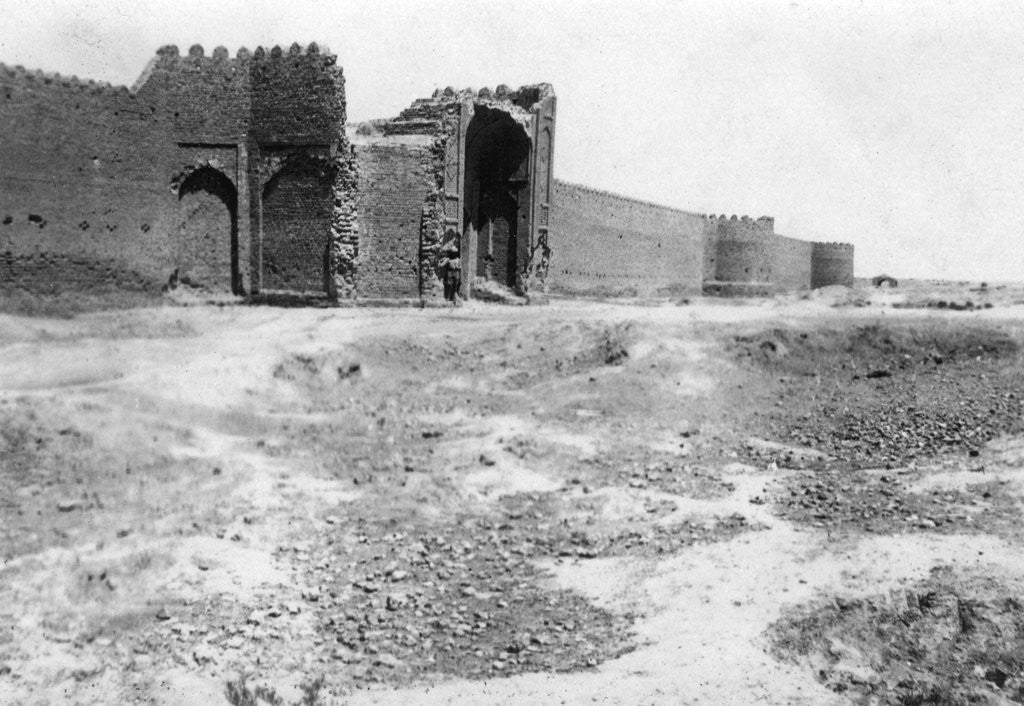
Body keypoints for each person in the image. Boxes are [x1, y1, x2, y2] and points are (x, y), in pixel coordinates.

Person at [439, 233, 461, 303]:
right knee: (449, 284)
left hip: (456, 270)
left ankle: (454, 296)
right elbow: (445, 259)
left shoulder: (458, 254)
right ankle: (448, 296)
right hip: (450, 270)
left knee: (456, 283)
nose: (456, 242)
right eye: (456, 241)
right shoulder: (450, 250)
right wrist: (441, 263)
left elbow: (459, 264)